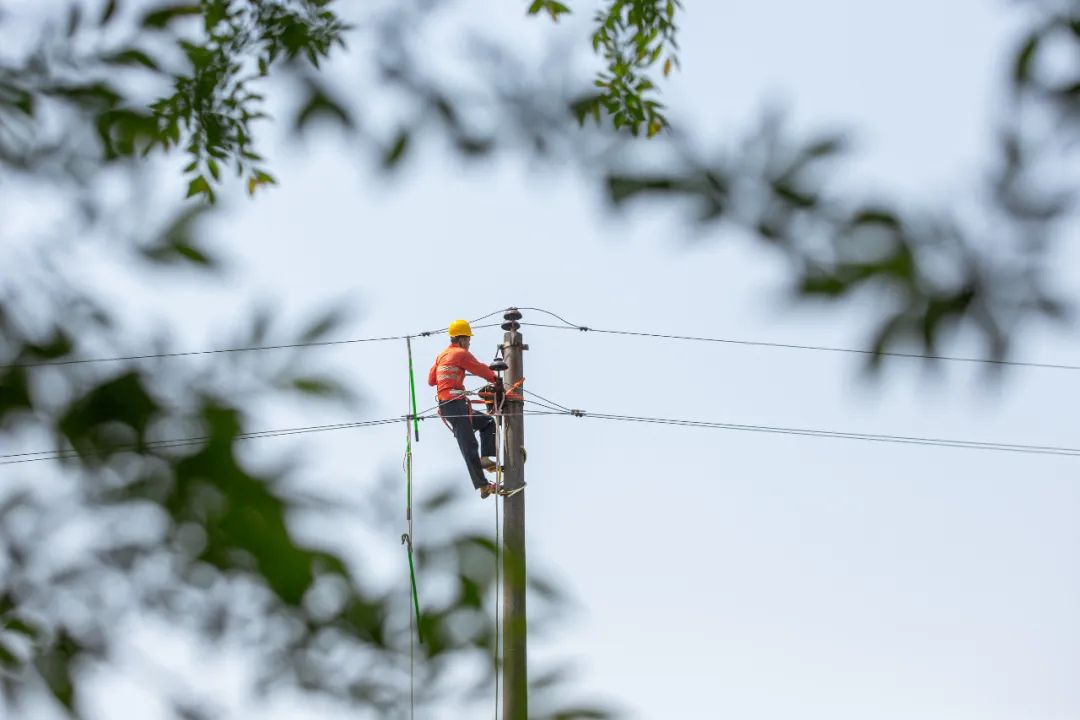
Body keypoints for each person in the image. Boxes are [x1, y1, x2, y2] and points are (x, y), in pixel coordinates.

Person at [429, 319, 501, 498]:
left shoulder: (441, 356)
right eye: (468, 339)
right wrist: (496, 380)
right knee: (469, 446)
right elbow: (480, 369)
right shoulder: (461, 354)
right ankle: (483, 485)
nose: (469, 343)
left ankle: (485, 458)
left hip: (450, 405)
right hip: (454, 405)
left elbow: (431, 380)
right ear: (461, 339)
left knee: (486, 422)